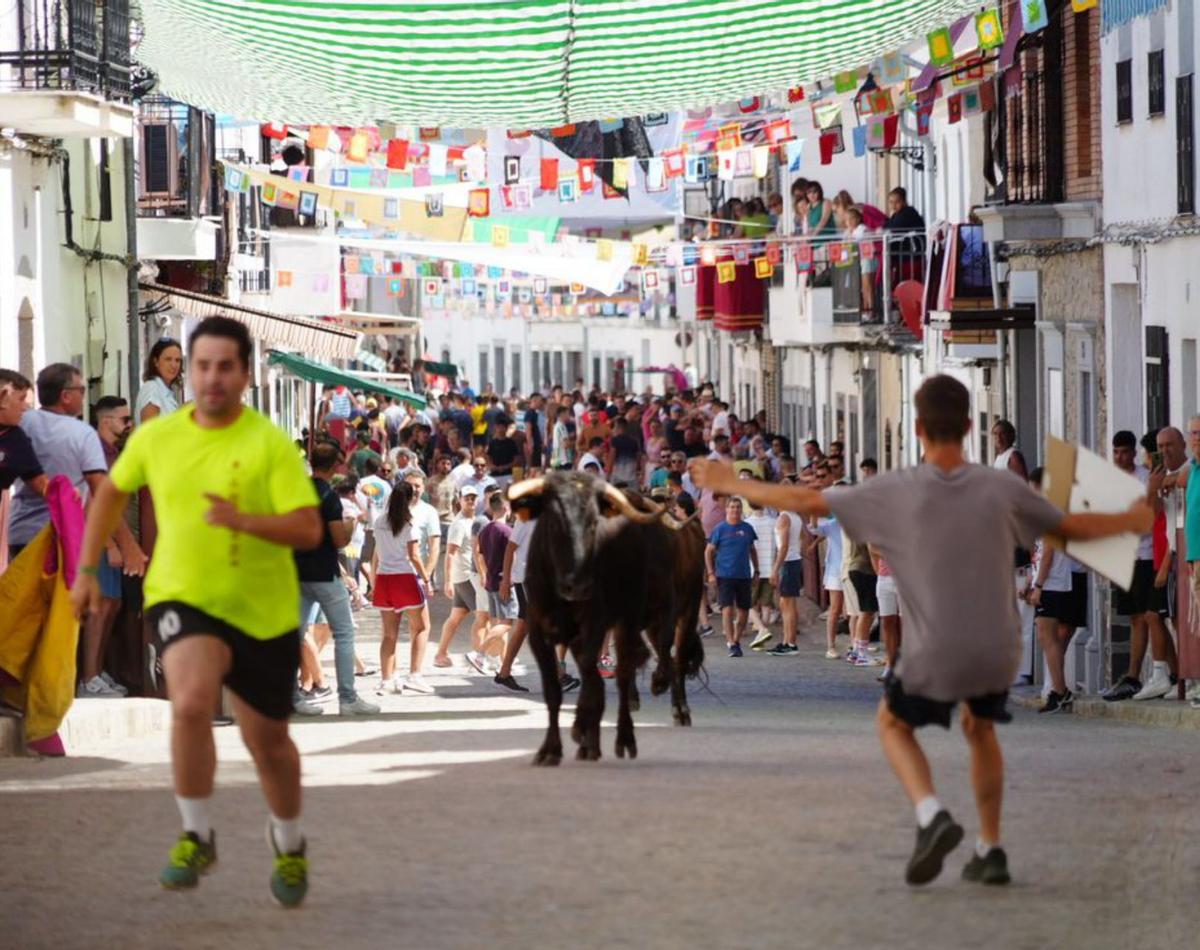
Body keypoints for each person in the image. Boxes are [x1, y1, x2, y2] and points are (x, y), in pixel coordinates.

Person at [691, 374, 1153, 887]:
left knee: (893, 723)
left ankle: (932, 814)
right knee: (981, 731)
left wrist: (732, 481)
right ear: (971, 426)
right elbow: (1072, 529)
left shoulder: (895, 490)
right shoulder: (1002, 487)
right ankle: (991, 847)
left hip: (934, 646)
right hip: (996, 648)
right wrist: (1132, 515)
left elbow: (810, 503)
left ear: (916, 428)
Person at [70, 316, 325, 905]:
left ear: (244, 374)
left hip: (262, 608)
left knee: (269, 743)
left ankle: (287, 842)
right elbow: (110, 490)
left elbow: (309, 526)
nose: (211, 378)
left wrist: (245, 521)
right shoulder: (159, 436)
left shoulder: (267, 442)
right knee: (188, 703)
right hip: (181, 594)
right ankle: (195, 832)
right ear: (188, 368)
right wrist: (89, 568)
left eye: (223, 367)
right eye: (201, 364)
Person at [8, 364, 143, 573]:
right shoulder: (82, 434)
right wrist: (128, 544)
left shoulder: (21, 424)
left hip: (21, 535)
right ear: (66, 396)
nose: (83, 396)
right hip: (62, 539)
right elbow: (101, 493)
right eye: (81, 390)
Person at [294, 442, 379, 717]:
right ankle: (347, 697)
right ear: (334, 467)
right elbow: (340, 540)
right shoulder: (328, 498)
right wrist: (352, 523)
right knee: (344, 633)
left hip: (297, 572)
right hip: (323, 572)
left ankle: (291, 696)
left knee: (294, 634)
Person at [1103, 430, 1172, 702]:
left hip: (1145, 555)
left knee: (1149, 616)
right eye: (1116, 452)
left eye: (1125, 452)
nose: (1120, 457)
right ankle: (1162, 673)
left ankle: (1136, 676)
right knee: (1136, 617)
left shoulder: (1146, 478)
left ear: (1133, 453)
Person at [77, 396, 138, 698]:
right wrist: (113, 544)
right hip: (98, 538)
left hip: (109, 536)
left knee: (112, 605)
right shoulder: (96, 452)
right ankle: (88, 677)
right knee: (100, 607)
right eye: (124, 420)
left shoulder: (111, 451)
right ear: (105, 421)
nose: (129, 425)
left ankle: (96, 671)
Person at [372, 480, 432, 694]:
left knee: (389, 634)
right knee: (422, 627)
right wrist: (426, 579)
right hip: (404, 578)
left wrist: (373, 580)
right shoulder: (408, 524)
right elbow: (414, 556)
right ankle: (415, 675)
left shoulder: (379, 521)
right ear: (409, 499)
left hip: (384, 579)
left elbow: (376, 554)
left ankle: (387, 679)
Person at [433, 485, 490, 669]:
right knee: (484, 617)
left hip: (466, 576)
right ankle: (480, 656)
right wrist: (448, 580)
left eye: (473, 497)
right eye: (467, 498)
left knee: (456, 617)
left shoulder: (472, 521)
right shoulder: (459, 524)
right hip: (465, 577)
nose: (471, 501)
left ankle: (441, 654)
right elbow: (450, 553)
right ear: (460, 500)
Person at [403, 469, 442, 693]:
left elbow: (435, 545)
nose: (415, 490)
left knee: (416, 625)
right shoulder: (395, 509)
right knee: (418, 626)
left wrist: (427, 576)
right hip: (398, 573)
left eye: (418, 485)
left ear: (424, 488)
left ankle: (408, 673)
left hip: (418, 575)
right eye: (410, 485)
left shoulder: (429, 512)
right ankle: (412, 675)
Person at [470, 492, 518, 675]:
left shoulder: (485, 530)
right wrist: (507, 579)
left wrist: (486, 574)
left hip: (491, 582)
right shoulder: (506, 531)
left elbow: (479, 555)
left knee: (498, 623)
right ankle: (480, 653)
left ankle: (500, 663)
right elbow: (512, 557)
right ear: (506, 507)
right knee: (506, 623)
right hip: (503, 582)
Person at [705, 497, 759, 658]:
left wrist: (757, 570)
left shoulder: (747, 528)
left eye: (738, 507)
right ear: (726, 510)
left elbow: (752, 550)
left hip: (743, 575)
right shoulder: (720, 529)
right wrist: (710, 572)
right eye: (732, 507)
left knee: (743, 610)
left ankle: (736, 639)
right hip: (725, 575)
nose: (735, 510)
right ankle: (731, 642)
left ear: (741, 510)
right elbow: (708, 551)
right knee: (727, 609)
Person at [766, 502, 805, 657]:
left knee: (787, 605)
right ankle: (787, 641)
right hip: (794, 560)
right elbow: (803, 538)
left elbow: (783, 546)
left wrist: (775, 569)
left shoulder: (784, 517)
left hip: (787, 562)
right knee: (787, 604)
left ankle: (790, 643)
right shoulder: (796, 516)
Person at [745, 495, 778, 651]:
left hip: (753, 569)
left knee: (747, 603)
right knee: (766, 605)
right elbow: (778, 546)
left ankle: (762, 630)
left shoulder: (747, 524)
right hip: (770, 567)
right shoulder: (773, 522)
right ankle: (761, 636)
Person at [135, 337, 184, 424]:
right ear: (156, 362)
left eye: (177, 360)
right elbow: (150, 432)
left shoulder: (166, 393)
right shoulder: (152, 389)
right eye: (168, 359)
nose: (174, 365)